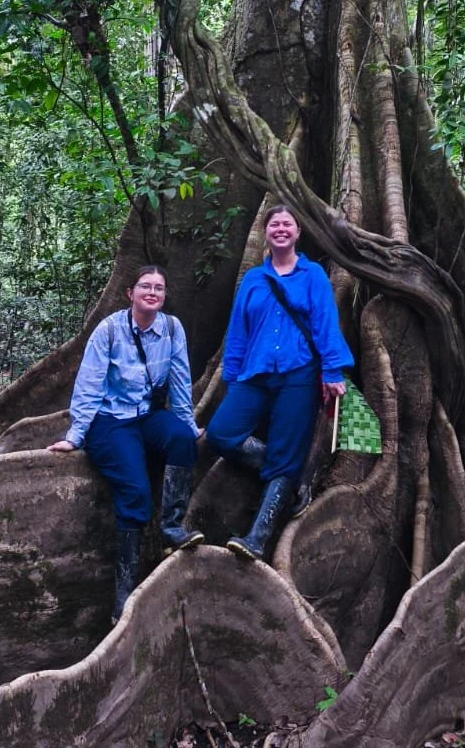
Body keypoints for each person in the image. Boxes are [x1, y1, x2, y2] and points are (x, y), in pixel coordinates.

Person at [48, 265, 201, 621]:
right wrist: (75, 435)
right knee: (135, 493)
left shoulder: (172, 329)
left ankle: (172, 527)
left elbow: (180, 382)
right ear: (129, 293)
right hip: (110, 421)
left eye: (159, 288)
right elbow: (89, 386)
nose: (152, 292)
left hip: (146, 415)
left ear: (164, 296)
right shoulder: (110, 330)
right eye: (145, 286)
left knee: (180, 440)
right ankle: (123, 600)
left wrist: (189, 424)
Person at [206, 203, 353, 561]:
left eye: (288, 224)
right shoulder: (253, 280)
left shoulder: (313, 274)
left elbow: (325, 324)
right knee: (221, 433)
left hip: (298, 375)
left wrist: (332, 371)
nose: (281, 229)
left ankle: (256, 538)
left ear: (298, 233)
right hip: (254, 374)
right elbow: (237, 331)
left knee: (288, 453)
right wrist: (230, 376)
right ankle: (286, 479)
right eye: (275, 224)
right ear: (266, 233)